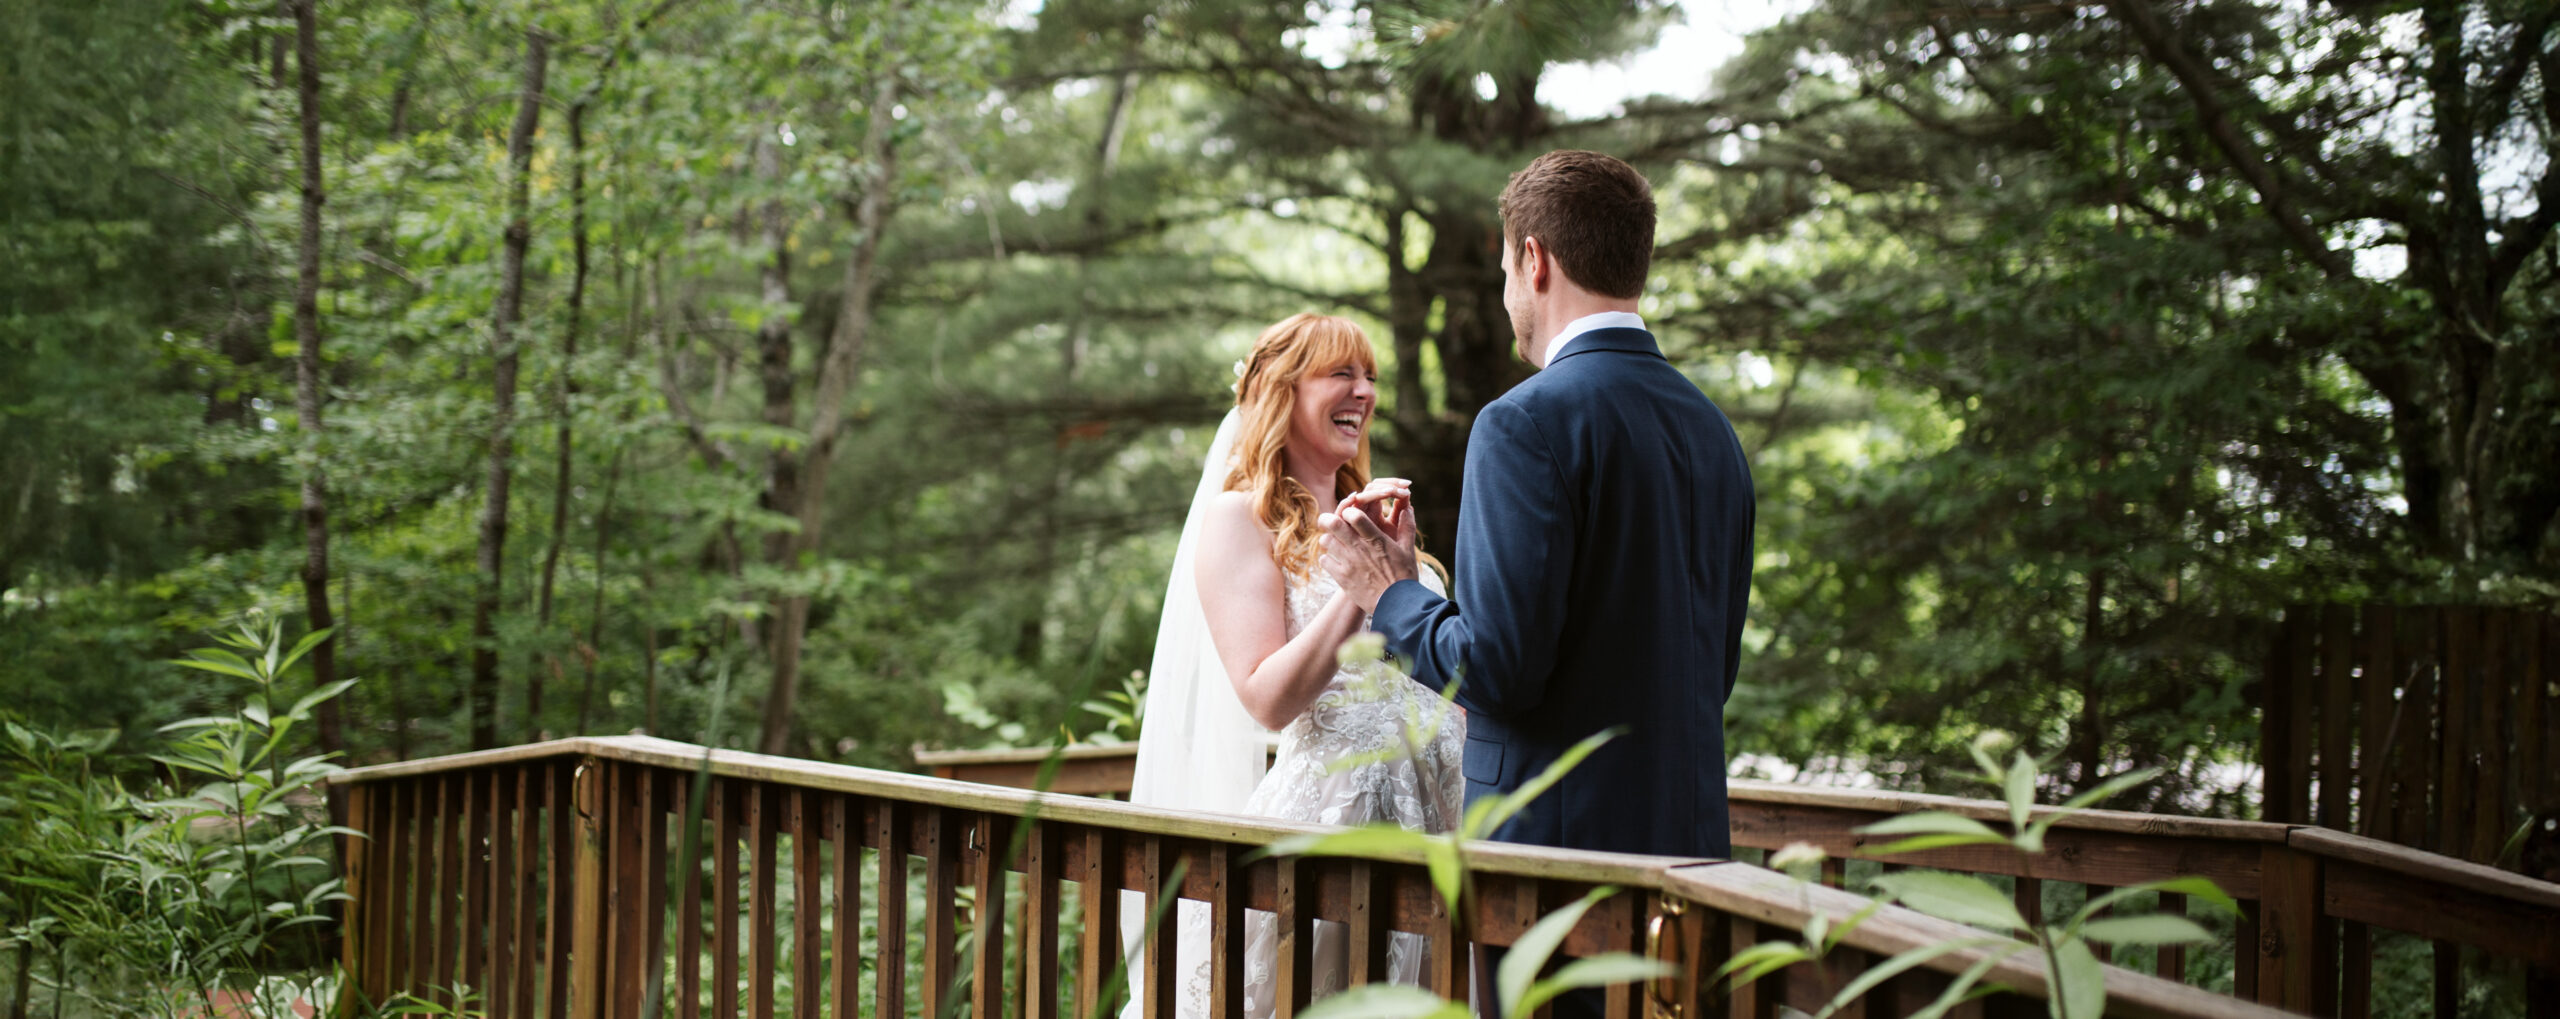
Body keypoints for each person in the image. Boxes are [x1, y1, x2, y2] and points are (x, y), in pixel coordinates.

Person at [1320, 149, 1756, 1017]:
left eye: (1508, 273)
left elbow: (1502, 671)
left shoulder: (1525, 421)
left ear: (1535, 259)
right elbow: (1714, 669)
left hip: (1552, 877)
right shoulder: (1714, 432)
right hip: (1692, 865)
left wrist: (1390, 592)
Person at [1126, 312, 1464, 1019]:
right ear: (1283, 389)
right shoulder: (1237, 519)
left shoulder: (1374, 515)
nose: (1364, 391)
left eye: (1370, 376)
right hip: (1331, 835)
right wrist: (1359, 585)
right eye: (1342, 373)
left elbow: (1438, 676)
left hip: (1439, 830)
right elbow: (1266, 697)